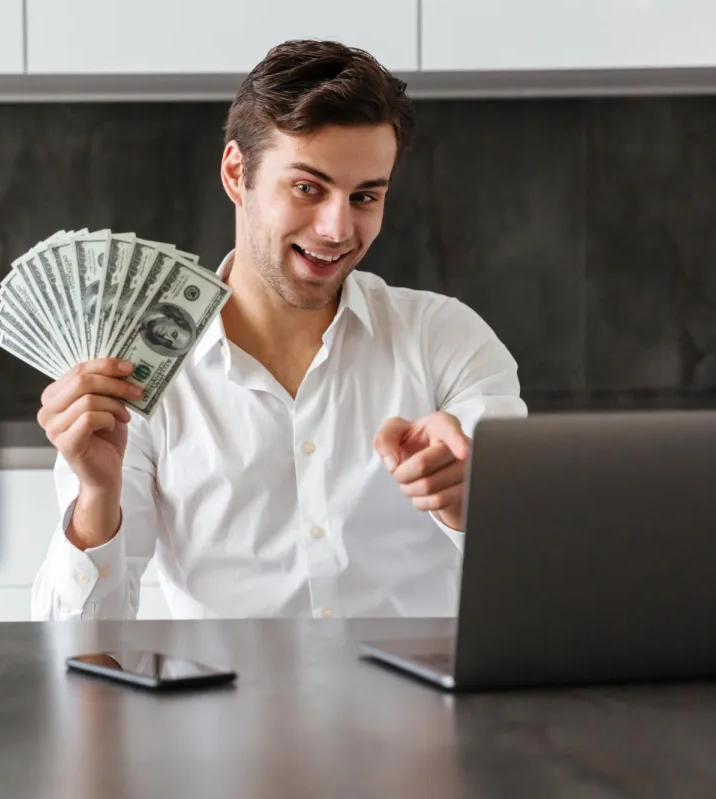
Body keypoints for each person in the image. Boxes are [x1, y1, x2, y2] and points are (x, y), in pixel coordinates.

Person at [32, 39, 526, 621]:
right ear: (237, 173)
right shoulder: (136, 372)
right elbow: (76, 644)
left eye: (365, 196)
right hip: (226, 708)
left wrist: (471, 505)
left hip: (421, 710)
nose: (338, 228)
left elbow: (542, 586)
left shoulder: (447, 340)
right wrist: (97, 495)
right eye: (307, 188)